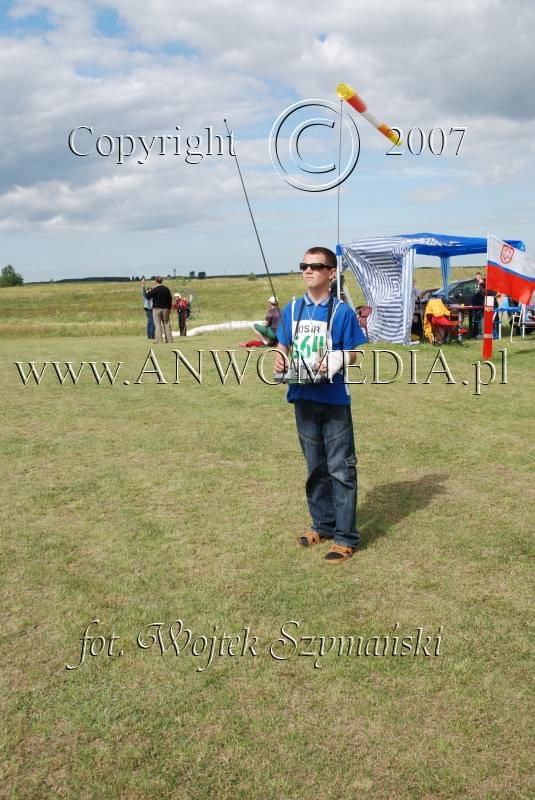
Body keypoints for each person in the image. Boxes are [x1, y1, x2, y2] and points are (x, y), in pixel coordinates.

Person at [274, 247, 367, 564]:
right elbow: (282, 343)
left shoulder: (342, 312)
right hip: (302, 397)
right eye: (304, 265)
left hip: (333, 400)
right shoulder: (292, 308)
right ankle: (323, 525)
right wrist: (280, 355)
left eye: (316, 266)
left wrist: (340, 357)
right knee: (315, 468)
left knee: (340, 469)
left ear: (331, 273)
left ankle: (345, 538)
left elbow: (355, 351)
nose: (308, 270)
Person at [144, 276, 173, 343]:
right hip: (165, 309)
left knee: (157, 325)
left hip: (156, 309)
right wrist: (169, 308)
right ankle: (169, 340)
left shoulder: (155, 289)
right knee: (167, 324)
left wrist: (143, 286)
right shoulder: (166, 289)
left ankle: (159, 341)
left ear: (156, 281)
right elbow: (170, 299)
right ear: (162, 281)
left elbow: (147, 296)